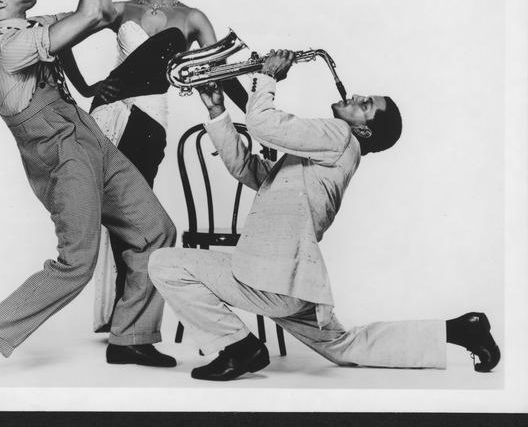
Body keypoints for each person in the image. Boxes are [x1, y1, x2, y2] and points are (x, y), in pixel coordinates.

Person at [148, 50, 501, 381]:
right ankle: (460, 329)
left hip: (269, 280)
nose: (358, 96)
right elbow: (249, 171)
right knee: (344, 346)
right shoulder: (330, 153)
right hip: (295, 284)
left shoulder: (340, 136)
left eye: (366, 105)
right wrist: (216, 113)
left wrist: (267, 77)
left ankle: (239, 347)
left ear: (363, 130)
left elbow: (262, 124)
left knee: (164, 263)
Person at [0, 0, 178, 381]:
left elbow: (101, 13)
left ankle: (132, 338)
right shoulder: (7, 49)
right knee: (76, 263)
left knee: (156, 230)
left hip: (87, 138)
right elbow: (87, 17)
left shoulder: (35, 26)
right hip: (61, 157)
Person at [57, 0, 250, 332]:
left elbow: (219, 70)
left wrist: (256, 110)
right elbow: (63, 37)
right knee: (113, 215)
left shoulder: (192, 16)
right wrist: (87, 86)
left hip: (150, 124)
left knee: (139, 219)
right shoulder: (120, 9)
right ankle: (122, 322)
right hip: (108, 117)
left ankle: (129, 319)